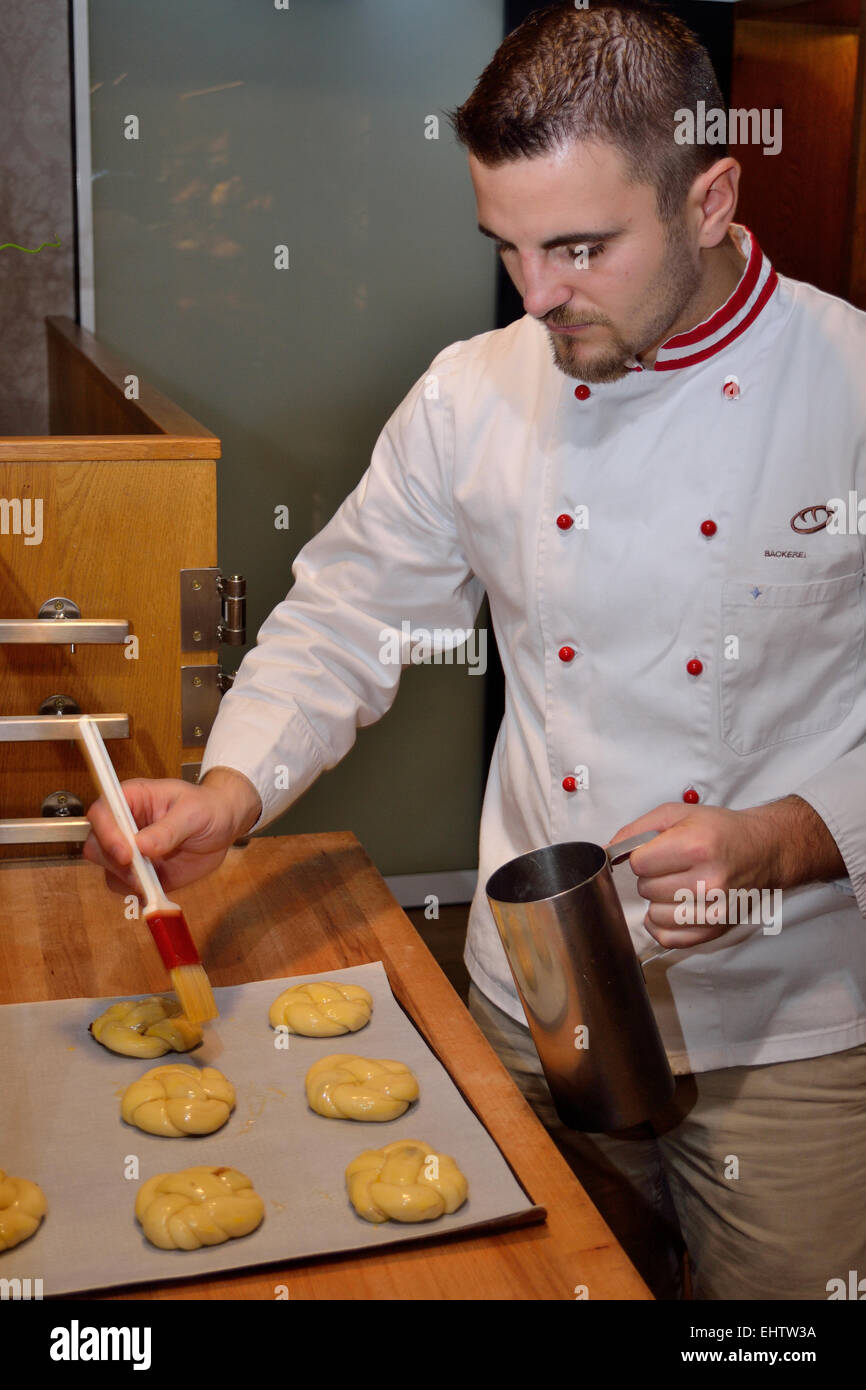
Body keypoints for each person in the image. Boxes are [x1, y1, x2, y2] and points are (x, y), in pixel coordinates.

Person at [85, 2, 866, 1300]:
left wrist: (790, 837)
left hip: (789, 1025)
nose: (536, 295)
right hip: (533, 1001)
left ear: (712, 198)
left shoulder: (849, 390)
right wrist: (230, 788)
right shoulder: (473, 391)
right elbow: (347, 613)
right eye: (507, 246)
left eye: (579, 247)